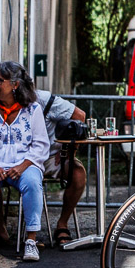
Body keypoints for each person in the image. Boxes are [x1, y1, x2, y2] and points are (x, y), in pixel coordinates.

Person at [0, 61, 51, 261]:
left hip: (25, 164)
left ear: (15, 85)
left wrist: (22, 166)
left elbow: (40, 145)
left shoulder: (33, 110)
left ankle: (31, 240)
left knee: (32, 183)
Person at [34, 89, 88, 245]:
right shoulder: (3, 101)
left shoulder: (44, 99)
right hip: (20, 157)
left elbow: (79, 116)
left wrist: (68, 151)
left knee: (78, 173)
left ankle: (62, 223)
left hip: (51, 158)